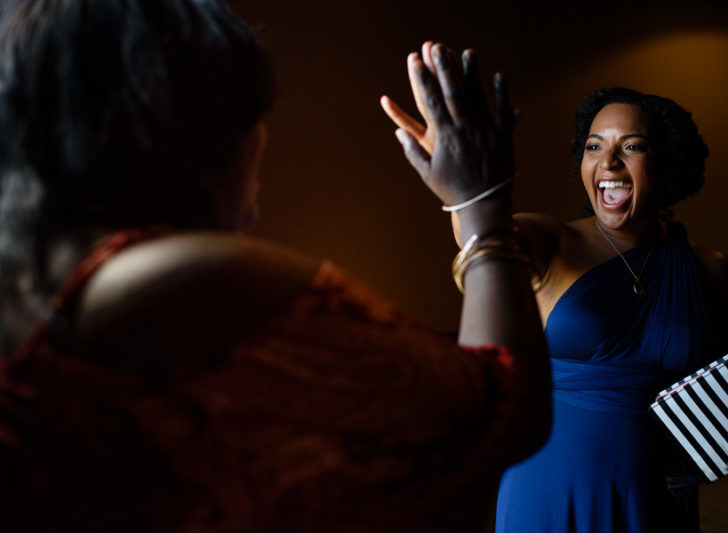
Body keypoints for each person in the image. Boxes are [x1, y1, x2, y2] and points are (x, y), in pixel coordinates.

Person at [0, 3, 551, 531]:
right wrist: (482, 204)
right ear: (200, 133)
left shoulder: (29, 283)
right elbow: (501, 410)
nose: (256, 196)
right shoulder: (186, 283)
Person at [382, 42, 728, 532]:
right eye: (595, 146)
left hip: (656, 498)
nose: (610, 163)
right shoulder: (548, 242)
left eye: (631, 146)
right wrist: (469, 187)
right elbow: (483, 235)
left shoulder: (712, 270)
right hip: (548, 486)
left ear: (667, 164)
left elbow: (726, 406)